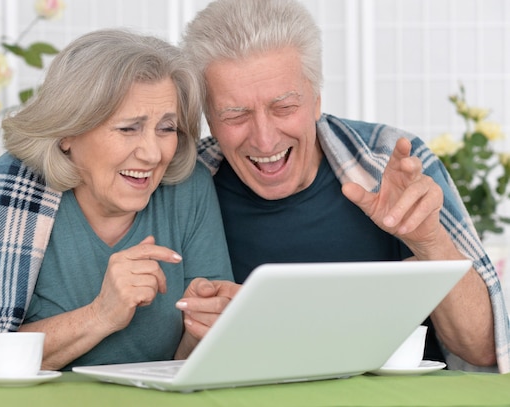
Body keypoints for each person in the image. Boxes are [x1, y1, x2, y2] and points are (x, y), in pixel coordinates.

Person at [180, 0, 510, 373]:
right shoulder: (183, 186)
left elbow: (483, 350)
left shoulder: (391, 160)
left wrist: (430, 241)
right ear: (208, 117)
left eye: (284, 107)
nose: (265, 139)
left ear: (317, 99)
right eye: (235, 114)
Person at [0, 28, 238, 381]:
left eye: (166, 128)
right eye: (129, 128)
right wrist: (101, 314)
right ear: (68, 133)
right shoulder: (13, 198)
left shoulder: (188, 188)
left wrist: (202, 330)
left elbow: (190, 363)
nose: (152, 153)